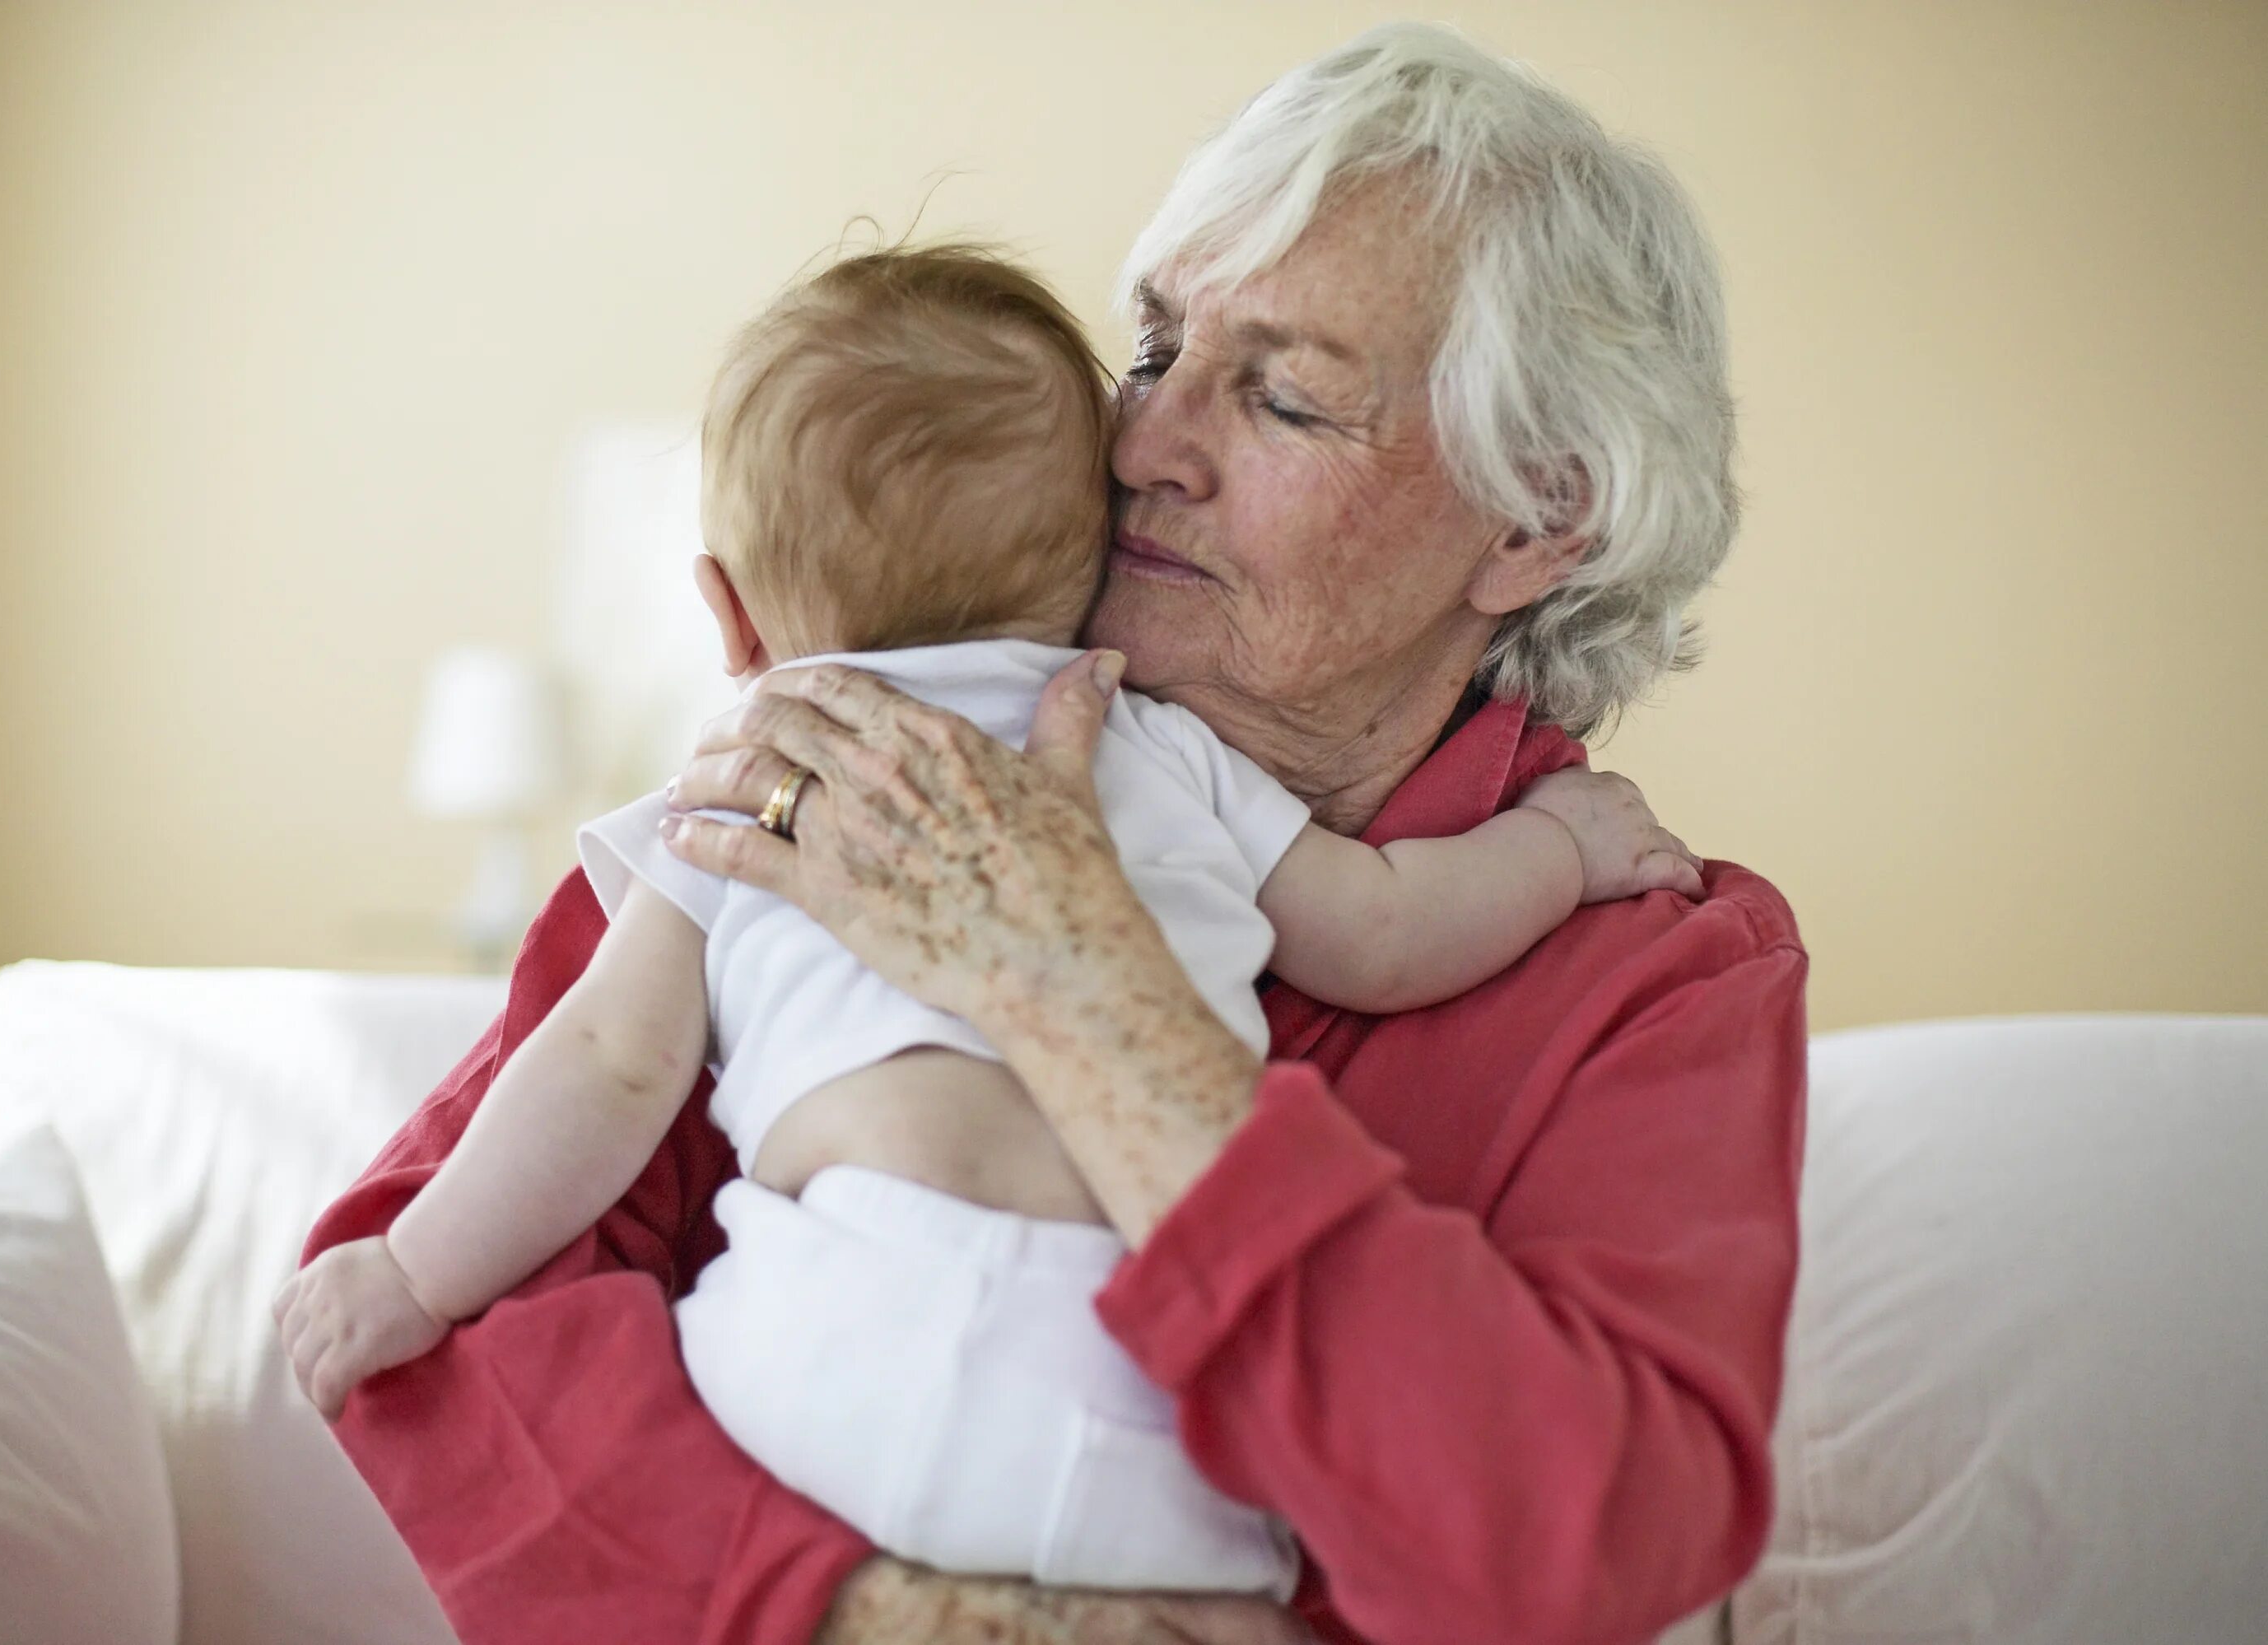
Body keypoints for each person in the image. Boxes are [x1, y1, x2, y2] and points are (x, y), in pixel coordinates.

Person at [303, 21, 1805, 1645]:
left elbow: (1580, 1545)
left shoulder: (1659, 977)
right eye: (1152, 353)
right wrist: (891, 1620)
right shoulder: (841, 760)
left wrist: (1079, 989)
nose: (1146, 448)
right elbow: (432, 1308)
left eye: (1285, 400)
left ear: (1533, 518)